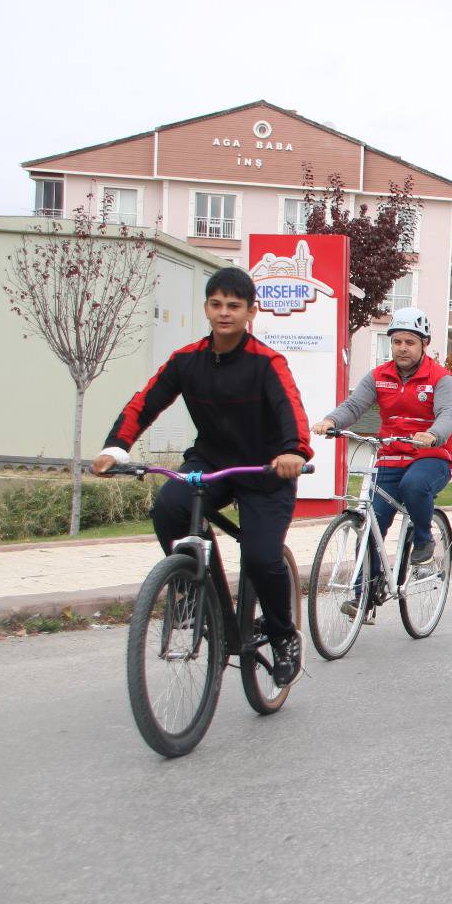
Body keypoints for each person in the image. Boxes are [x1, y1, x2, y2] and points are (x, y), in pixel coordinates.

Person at [91, 267, 311, 687]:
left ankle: (284, 636)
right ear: (206, 308)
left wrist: (293, 451)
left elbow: (292, 411)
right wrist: (115, 447)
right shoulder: (186, 360)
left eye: (234, 305)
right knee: (170, 508)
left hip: (264, 471)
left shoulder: (267, 362)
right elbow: (145, 402)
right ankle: (195, 590)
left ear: (251, 312)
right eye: (216, 304)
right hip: (211, 462)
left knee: (262, 557)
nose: (224, 313)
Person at [312, 307, 452, 576]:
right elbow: (354, 406)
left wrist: (433, 435)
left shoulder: (440, 378)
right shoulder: (379, 376)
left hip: (431, 457)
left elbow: (447, 414)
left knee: (414, 485)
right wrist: (331, 421)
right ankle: (362, 595)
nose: (402, 348)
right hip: (390, 456)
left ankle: (423, 541)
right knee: (370, 525)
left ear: (424, 344)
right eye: (397, 342)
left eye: (410, 342)